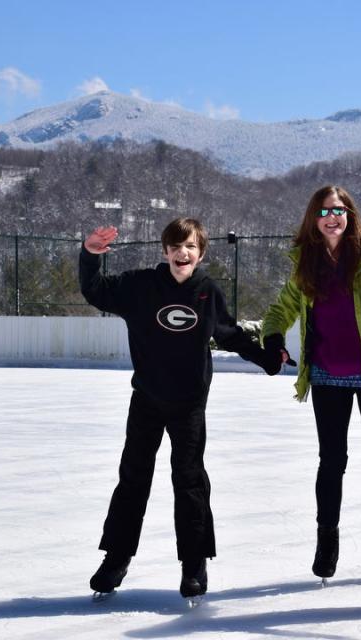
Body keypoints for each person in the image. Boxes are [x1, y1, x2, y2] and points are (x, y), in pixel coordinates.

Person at [79, 219, 281, 598]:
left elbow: (230, 333)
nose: (181, 252)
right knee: (133, 478)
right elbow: (94, 290)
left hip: (189, 402)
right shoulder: (140, 286)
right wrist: (90, 254)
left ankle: (194, 565)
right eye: (175, 245)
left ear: (200, 253)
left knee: (188, 480)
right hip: (147, 398)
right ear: (165, 250)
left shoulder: (207, 291)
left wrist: (268, 359)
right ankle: (116, 559)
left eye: (189, 246)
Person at [261, 185, 361, 581]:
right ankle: (327, 538)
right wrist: (272, 338)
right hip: (327, 376)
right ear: (313, 220)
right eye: (323, 211)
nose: (331, 217)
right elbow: (282, 307)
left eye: (339, 210)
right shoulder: (307, 262)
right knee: (331, 462)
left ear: (350, 215)